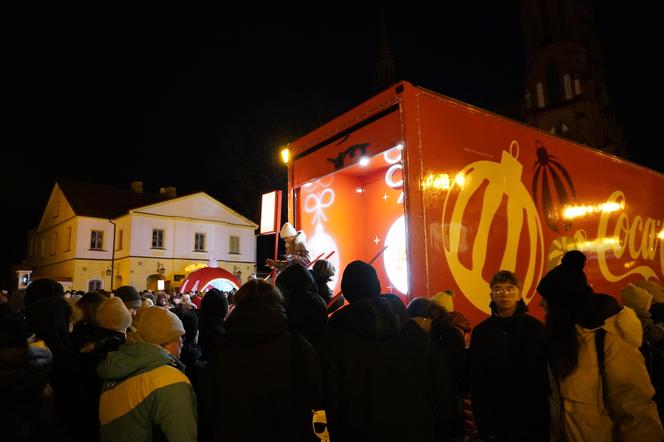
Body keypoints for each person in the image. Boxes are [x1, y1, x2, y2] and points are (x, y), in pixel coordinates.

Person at [319, 260, 458, 441]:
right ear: (377, 287)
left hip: (361, 431)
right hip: (417, 429)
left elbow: (330, 397)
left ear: (346, 292)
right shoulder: (412, 330)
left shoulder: (335, 338)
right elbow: (442, 387)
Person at [538, 250, 663, 441]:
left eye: (548, 300)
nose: (541, 305)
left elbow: (636, 411)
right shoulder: (563, 338)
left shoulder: (610, 338)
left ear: (564, 305)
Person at [199, 279, 323, 442]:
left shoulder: (224, 348)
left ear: (238, 304)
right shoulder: (297, 346)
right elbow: (316, 396)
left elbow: (209, 405)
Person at [469, 270, 549, 441]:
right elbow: (477, 377)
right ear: (491, 295)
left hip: (530, 412)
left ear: (519, 295)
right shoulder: (481, 332)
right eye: (498, 289)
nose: (504, 294)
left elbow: (544, 373)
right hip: (495, 413)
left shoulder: (535, 329)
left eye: (510, 289)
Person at [97, 306, 197, 442]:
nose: (182, 343)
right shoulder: (170, 380)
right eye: (179, 337)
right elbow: (182, 435)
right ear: (167, 341)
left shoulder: (118, 366)